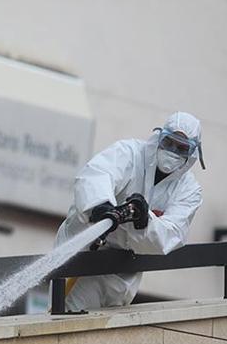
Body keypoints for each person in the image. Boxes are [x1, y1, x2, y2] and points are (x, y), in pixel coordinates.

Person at [56, 111, 205, 310]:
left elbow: (171, 234)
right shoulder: (130, 153)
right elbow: (97, 175)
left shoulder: (188, 189)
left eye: (182, 148)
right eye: (169, 142)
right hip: (84, 253)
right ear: (159, 137)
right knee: (67, 320)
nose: (173, 151)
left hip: (122, 271)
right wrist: (101, 207)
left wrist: (145, 220)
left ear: (193, 153)